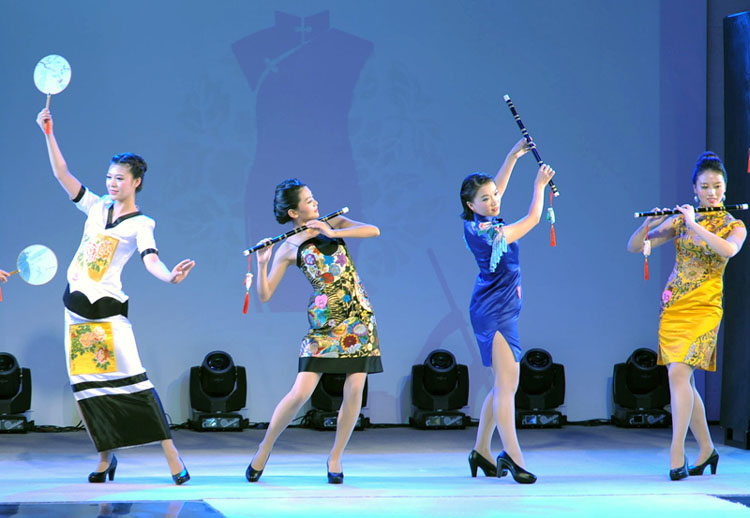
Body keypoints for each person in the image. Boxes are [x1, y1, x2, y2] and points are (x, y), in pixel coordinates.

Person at [36, 107, 196, 484]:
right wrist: (48, 133)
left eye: (120, 178)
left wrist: (170, 277)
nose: (112, 183)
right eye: (109, 177)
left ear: (136, 182)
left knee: (135, 383)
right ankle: (106, 459)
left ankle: (173, 459)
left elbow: (150, 259)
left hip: (108, 313)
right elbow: (62, 174)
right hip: (75, 310)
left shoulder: (142, 223)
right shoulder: (95, 207)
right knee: (88, 390)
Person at [246, 179, 382, 484]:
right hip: (324, 323)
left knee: (355, 389)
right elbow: (265, 294)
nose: (315, 203)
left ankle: (335, 457)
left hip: (358, 316)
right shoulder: (288, 246)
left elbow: (373, 230)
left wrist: (334, 231)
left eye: (313, 197)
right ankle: (264, 448)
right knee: (301, 392)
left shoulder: (331, 221)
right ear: (294, 212)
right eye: (308, 201)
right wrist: (262, 262)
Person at [627, 152, 746, 480]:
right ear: (694, 189)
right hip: (674, 307)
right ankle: (707, 449)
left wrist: (694, 224)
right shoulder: (680, 220)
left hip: (705, 308)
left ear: (725, 188)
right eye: (705, 186)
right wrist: (646, 225)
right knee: (684, 381)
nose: (711, 192)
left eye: (717, 186)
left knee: (678, 375)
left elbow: (728, 250)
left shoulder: (732, 225)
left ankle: (676, 451)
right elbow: (636, 246)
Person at [460, 139, 555, 485]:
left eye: (494, 196)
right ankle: (513, 457)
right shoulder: (487, 231)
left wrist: (512, 157)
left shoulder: (483, 219)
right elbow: (531, 219)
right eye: (484, 199)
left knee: (504, 385)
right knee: (506, 386)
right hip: (493, 311)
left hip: (502, 308)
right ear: (470, 205)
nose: (493, 200)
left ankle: (481, 451)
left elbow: (497, 186)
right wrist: (539, 186)